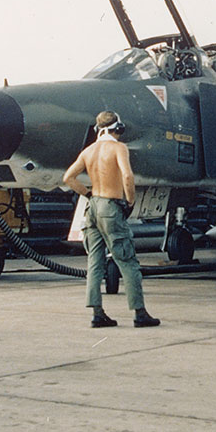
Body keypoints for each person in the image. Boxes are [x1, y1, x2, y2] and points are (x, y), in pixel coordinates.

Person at [63, 111, 161, 328]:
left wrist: (87, 194)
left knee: (94, 262)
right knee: (127, 260)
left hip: (93, 207)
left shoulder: (88, 151)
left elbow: (68, 177)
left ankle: (97, 314)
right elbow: (127, 176)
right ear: (118, 128)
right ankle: (139, 313)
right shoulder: (118, 148)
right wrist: (131, 201)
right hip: (111, 206)